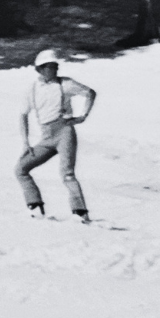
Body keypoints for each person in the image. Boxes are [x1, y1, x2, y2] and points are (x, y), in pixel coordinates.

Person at [15, 49, 96, 222]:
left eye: (55, 66)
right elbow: (23, 114)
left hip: (64, 132)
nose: (55, 69)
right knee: (21, 169)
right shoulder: (32, 88)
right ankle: (35, 206)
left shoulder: (65, 84)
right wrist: (25, 142)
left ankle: (80, 212)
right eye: (51, 67)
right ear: (40, 69)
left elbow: (90, 93)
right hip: (46, 137)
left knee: (67, 174)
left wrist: (83, 116)